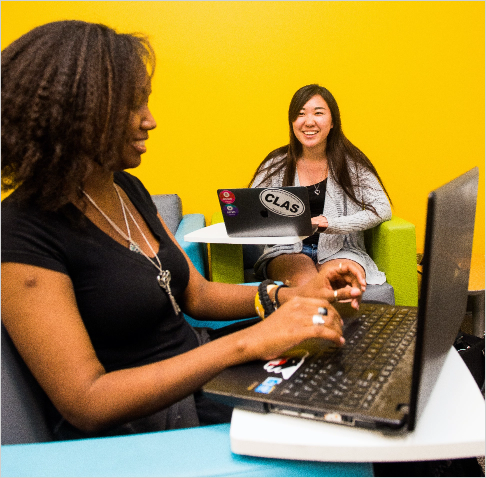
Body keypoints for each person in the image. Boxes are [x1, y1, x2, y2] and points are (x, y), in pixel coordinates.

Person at [1, 21, 366, 441]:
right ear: (79, 111)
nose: (150, 121)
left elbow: (197, 294)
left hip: (201, 374)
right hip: (156, 420)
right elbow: (87, 400)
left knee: (348, 356)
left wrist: (290, 295)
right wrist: (250, 342)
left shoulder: (124, 188)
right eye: (134, 105)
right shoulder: (22, 231)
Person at [249, 84, 392, 289]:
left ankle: (336, 322)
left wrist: (330, 223)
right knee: (307, 286)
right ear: (292, 122)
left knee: (341, 284)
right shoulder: (276, 163)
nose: (309, 122)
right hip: (288, 252)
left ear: (333, 121)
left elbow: (381, 209)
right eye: (300, 114)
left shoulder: (352, 163)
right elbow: (252, 209)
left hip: (342, 250)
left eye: (318, 113)